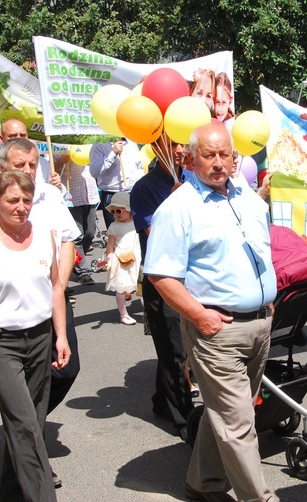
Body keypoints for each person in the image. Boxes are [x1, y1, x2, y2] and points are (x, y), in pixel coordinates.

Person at [145, 123, 277, 502]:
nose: (219, 163)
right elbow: (161, 274)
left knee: (226, 414)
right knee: (238, 424)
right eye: (209, 154)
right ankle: (259, 498)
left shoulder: (248, 197)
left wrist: (267, 296)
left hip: (259, 325)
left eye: (225, 154)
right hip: (217, 331)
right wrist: (201, 316)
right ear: (190, 158)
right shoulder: (177, 207)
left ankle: (202, 485)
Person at [0, 170, 70, 501]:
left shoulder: (43, 236)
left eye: (26, 200)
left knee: (29, 423)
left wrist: (60, 336)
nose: (20, 207)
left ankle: (10, 495)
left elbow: (55, 287)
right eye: (12, 200)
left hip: (39, 339)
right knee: (24, 425)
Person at [0, 138, 81, 419]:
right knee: (27, 381)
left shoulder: (51, 194)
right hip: (15, 305)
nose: (28, 169)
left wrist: (60, 284)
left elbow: (67, 240)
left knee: (66, 369)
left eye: (33, 164)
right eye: (19, 164)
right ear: (2, 167)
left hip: (53, 294)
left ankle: (27, 427)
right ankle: (28, 431)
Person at [130, 133, 193, 437]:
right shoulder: (144, 188)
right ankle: (185, 420)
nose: (179, 151)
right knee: (174, 350)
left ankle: (161, 399)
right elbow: (156, 232)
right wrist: (177, 201)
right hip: (163, 278)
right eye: (173, 145)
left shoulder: (194, 177)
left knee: (179, 345)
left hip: (193, 276)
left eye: (182, 144)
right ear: (156, 147)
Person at [103, 191, 142, 325]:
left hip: (137, 258)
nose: (116, 214)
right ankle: (123, 314)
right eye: (113, 211)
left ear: (129, 209)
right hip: (120, 260)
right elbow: (110, 246)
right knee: (121, 288)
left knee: (141, 288)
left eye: (119, 210)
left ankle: (149, 312)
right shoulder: (114, 226)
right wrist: (108, 259)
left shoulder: (137, 222)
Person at [62, 159, 100, 285]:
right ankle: (83, 272)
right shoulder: (60, 148)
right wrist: (62, 160)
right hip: (72, 198)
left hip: (90, 196)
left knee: (90, 233)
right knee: (77, 236)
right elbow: (53, 171)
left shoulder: (88, 146)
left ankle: (74, 259)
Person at [89, 138, 143, 227]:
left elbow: (139, 167)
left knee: (135, 232)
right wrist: (113, 153)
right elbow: (94, 171)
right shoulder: (99, 145)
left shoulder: (132, 143)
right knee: (116, 234)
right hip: (112, 196)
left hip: (133, 194)